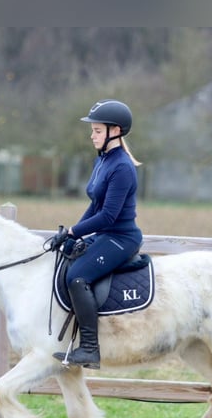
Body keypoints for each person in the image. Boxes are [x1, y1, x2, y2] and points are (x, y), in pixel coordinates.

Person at [48, 99, 143, 369]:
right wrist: (72, 236)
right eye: (93, 131)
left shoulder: (122, 167)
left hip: (120, 238)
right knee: (66, 258)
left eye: (97, 130)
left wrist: (73, 230)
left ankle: (89, 349)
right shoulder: (102, 161)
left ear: (115, 131)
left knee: (77, 277)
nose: (92, 135)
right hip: (105, 234)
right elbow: (94, 206)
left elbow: (108, 216)